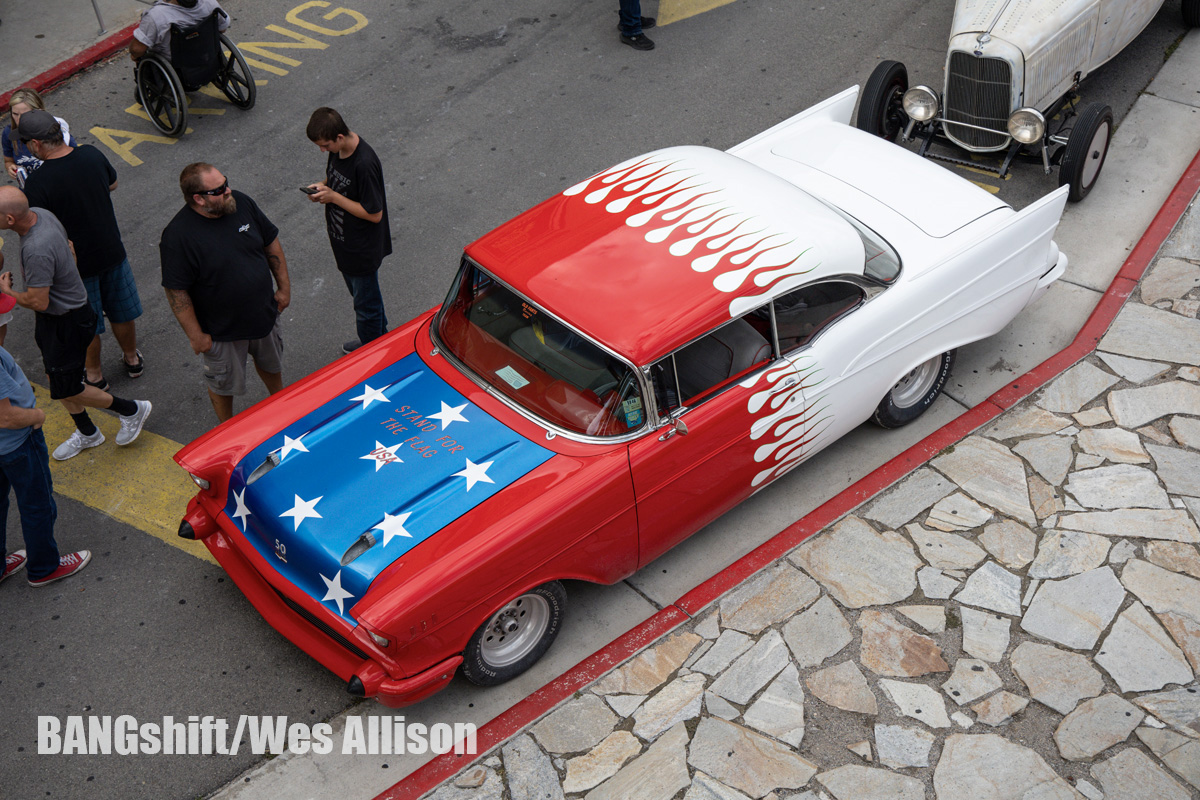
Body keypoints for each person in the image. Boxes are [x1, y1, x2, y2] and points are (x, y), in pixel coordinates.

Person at [0, 187, 152, 461]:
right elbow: (69, 248)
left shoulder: (35, 249)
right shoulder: (42, 215)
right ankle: (88, 432)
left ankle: (132, 410)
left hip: (65, 322)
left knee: (68, 387)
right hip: (61, 318)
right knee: (55, 378)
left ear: (10, 220)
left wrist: (8, 292)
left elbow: (39, 301)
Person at [19, 109, 144, 389]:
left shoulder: (38, 183)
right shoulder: (91, 154)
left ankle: (96, 375)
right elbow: (112, 183)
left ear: (36, 144)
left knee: (88, 324)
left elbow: (39, 227)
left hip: (75, 266)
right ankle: (132, 359)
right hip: (112, 250)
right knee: (122, 311)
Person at [160, 163, 291, 423]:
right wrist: (196, 336)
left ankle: (283, 405)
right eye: (219, 189)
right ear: (198, 199)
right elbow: (176, 290)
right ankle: (227, 428)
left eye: (225, 182)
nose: (228, 190)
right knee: (222, 385)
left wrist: (284, 288)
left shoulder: (241, 202)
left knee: (272, 365)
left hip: (264, 314)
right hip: (221, 332)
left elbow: (270, 243)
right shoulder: (178, 236)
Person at [0, 344, 91, 587]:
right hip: (16, 443)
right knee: (37, 504)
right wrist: (38, 416)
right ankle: (44, 568)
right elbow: (5, 417)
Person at [304, 107, 392, 355]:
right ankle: (380, 339)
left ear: (340, 137)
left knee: (366, 308)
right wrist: (322, 187)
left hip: (361, 249)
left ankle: (372, 353)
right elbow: (336, 179)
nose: (323, 151)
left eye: (325, 145)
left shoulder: (364, 163)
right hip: (345, 245)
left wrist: (332, 197)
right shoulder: (340, 151)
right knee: (366, 300)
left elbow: (374, 214)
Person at [2, 88, 76, 187]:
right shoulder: (8, 133)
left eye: (24, 115)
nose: (19, 120)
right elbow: (8, 160)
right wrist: (10, 167)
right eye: (15, 114)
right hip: (31, 192)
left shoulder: (55, 131)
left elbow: (75, 160)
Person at [129, 0, 229, 61]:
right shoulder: (210, 3)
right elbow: (222, 28)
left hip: (176, 65)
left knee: (140, 54)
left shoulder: (157, 16)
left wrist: (134, 56)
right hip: (207, 56)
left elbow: (137, 50)